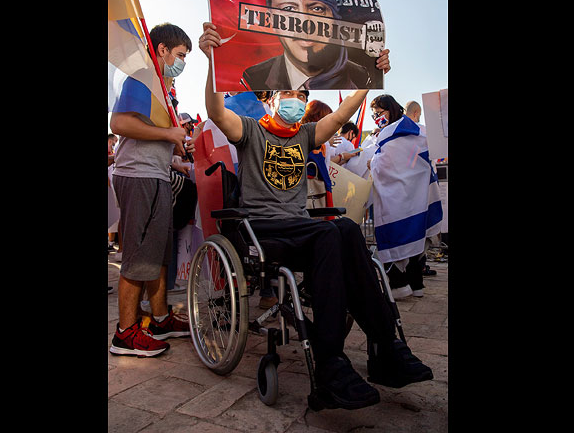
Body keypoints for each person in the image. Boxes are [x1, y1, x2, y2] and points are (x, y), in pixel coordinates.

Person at [197, 21, 432, 411]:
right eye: (288, 92)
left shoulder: (306, 135)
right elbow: (216, 111)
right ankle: (330, 366)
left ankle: (385, 347)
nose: (296, 98)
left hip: (301, 228)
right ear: (272, 100)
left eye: (301, 93)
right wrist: (212, 60)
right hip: (263, 229)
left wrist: (370, 77)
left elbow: (339, 117)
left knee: (346, 231)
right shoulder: (253, 131)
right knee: (330, 233)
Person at [109, 22, 194, 358]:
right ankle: (125, 333)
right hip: (139, 176)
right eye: (180, 55)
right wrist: (170, 135)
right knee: (139, 256)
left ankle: (159, 319)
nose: (182, 62)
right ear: (162, 50)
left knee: (157, 256)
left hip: (156, 175)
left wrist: (174, 151)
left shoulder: (161, 86)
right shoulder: (143, 76)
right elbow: (120, 124)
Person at [241, 0, 373, 91]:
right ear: (271, 21)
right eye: (288, 9)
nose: (304, 23)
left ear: (334, 19)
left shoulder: (361, 76)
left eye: (317, 9)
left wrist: (378, 66)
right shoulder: (252, 78)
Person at [368, 94, 441, 299]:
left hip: (397, 198)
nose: (376, 118)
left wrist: (372, 163)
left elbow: (385, 164)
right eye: (374, 115)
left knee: (396, 238)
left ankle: (400, 285)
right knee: (415, 237)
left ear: (391, 109)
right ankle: (416, 285)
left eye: (379, 113)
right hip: (415, 194)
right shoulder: (418, 131)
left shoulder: (392, 133)